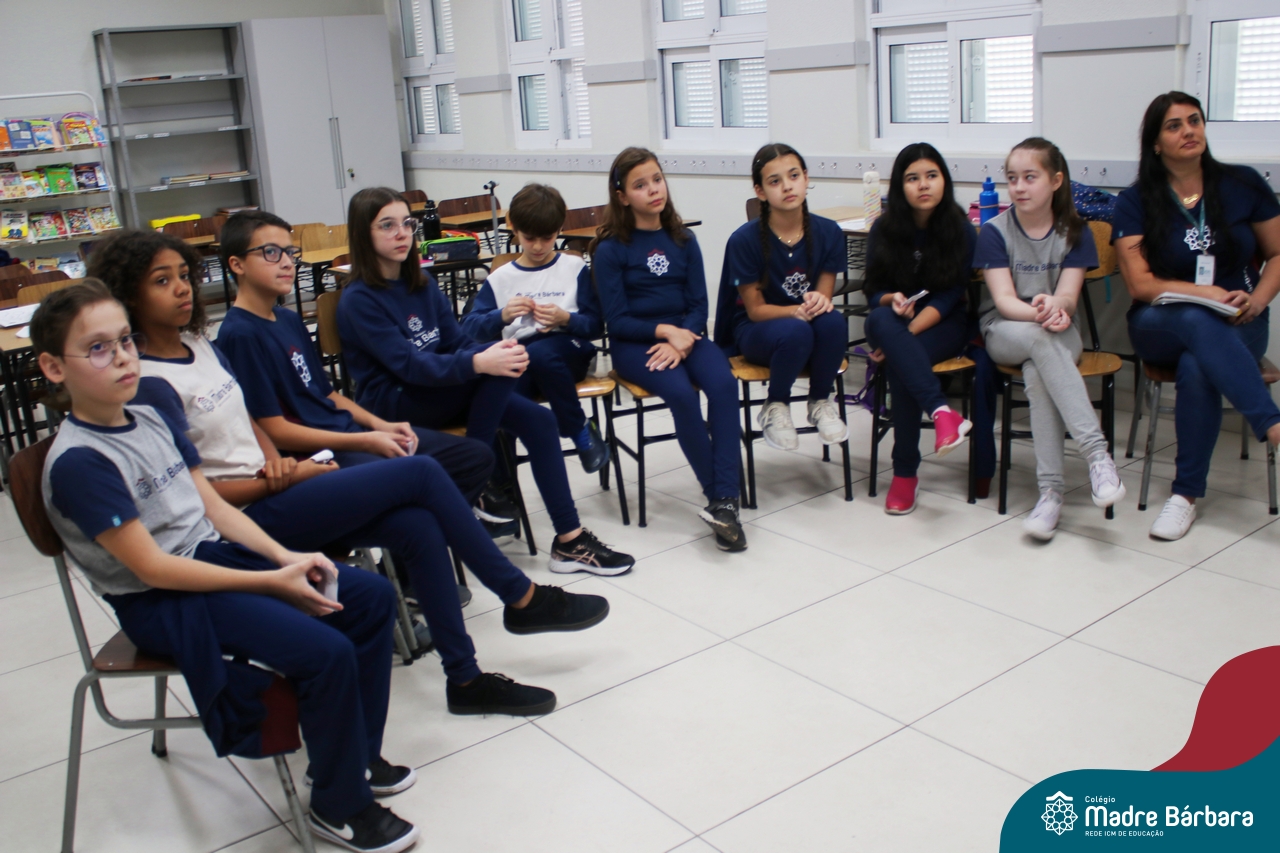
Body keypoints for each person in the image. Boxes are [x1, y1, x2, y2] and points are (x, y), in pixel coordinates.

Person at [89, 229, 607, 718]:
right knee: (422, 474)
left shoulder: (199, 344)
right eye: (162, 280)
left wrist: (277, 457)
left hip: (285, 482)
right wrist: (291, 472)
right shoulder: (146, 383)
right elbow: (196, 495)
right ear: (127, 296)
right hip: (247, 519)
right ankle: (520, 596)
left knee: (420, 525)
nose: (182, 288)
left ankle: (465, 681)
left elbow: (252, 421)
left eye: (184, 275)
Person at [32, 281, 418, 853]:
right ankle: (339, 806)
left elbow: (210, 507)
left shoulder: (150, 413)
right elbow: (154, 569)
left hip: (211, 557)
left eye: (125, 341)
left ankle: (352, 760)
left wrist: (285, 557)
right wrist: (269, 582)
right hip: (161, 599)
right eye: (97, 348)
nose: (122, 358)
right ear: (53, 367)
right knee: (325, 650)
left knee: (369, 599)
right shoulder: (79, 463)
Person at [336, 187, 635, 576]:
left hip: (437, 390)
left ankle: (569, 541)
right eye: (387, 226)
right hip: (394, 402)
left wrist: (490, 354)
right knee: (495, 368)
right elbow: (410, 366)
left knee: (539, 417)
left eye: (406, 224)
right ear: (364, 234)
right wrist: (480, 360)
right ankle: (477, 478)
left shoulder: (420, 282)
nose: (401, 233)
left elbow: (456, 341)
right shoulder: (359, 299)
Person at [212, 211, 517, 532]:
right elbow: (274, 430)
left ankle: (446, 528)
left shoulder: (287, 319)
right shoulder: (241, 334)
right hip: (322, 452)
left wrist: (380, 426)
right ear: (237, 264)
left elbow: (327, 393)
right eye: (271, 253)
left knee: (475, 456)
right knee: (419, 482)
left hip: (349, 431)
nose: (288, 263)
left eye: (290, 252)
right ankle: (433, 536)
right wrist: (364, 441)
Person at [1114, 91, 1280, 541]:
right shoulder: (1135, 201)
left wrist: (1258, 301)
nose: (1188, 131)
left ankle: (1184, 496)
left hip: (1241, 321)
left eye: (1195, 120)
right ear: (1155, 142)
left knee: (1197, 363)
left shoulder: (1243, 183)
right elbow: (1140, 284)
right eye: (1174, 125)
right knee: (1194, 320)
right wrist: (1202, 293)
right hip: (1160, 321)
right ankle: (1271, 423)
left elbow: (1278, 253)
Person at [591, 147, 746, 551]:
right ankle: (720, 496)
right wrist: (665, 332)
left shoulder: (683, 239)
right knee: (681, 395)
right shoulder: (610, 249)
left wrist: (682, 339)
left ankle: (725, 499)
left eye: (657, 179)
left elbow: (699, 305)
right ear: (622, 196)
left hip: (686, 337)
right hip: (636, 344)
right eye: (640, 185)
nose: (653, 189)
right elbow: (616, 321)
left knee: (724, 385)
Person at [977, 137, 1126, 541]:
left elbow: (1069, 297)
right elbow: (1005, 302)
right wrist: (1041, 313)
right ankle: (1097, 456)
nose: (1019, 187)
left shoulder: (1075, 232)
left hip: (1059, 330)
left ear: (1056, 180)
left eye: (1030, 177)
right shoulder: (994, 231)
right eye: (1012, 178)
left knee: (1038, 370)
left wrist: (1056, 306)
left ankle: (1050, 495)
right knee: (1038, 343)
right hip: (1005, 329)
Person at [861, 142, 978, 514]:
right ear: (900, 185)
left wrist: (902, 338)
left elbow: (951, 295)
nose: (923, 185)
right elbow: (872, 290)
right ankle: (942, 412)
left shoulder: (961, 230)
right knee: (879, 317)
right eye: (912, 178)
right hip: (893, 319)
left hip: (944, 323)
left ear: (944, 180)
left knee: (901, 363)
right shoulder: (884, 228)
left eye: (931, 176)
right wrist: (892, 299)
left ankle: (905, 473)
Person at [461, 182, 610, 473]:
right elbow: (469, 329)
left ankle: (578, 428)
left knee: (542, 354)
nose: (539, 246)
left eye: (548, 237)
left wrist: (565, 319)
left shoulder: (573, 267)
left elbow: (596, 326)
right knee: (498, 398)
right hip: (523, 359)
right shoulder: (501, 278)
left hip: (569, 352)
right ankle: (500, 481)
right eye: (530, 238)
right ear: (513, 228)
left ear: (559, 228)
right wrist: (503, 315)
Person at [713, 143, 849, 451]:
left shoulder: (829, 232)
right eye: (775, 181)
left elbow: (824, 297)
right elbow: (755, 310)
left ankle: (820, 401)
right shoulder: (743, 240)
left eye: (794, 176)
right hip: (758, 330)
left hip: (806, 325)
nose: (787, 186)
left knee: (833, 322)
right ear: (760, 192)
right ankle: (775, 405)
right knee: (797, 331)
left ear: (806, 178)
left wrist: (819, 302)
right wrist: (794, 312)